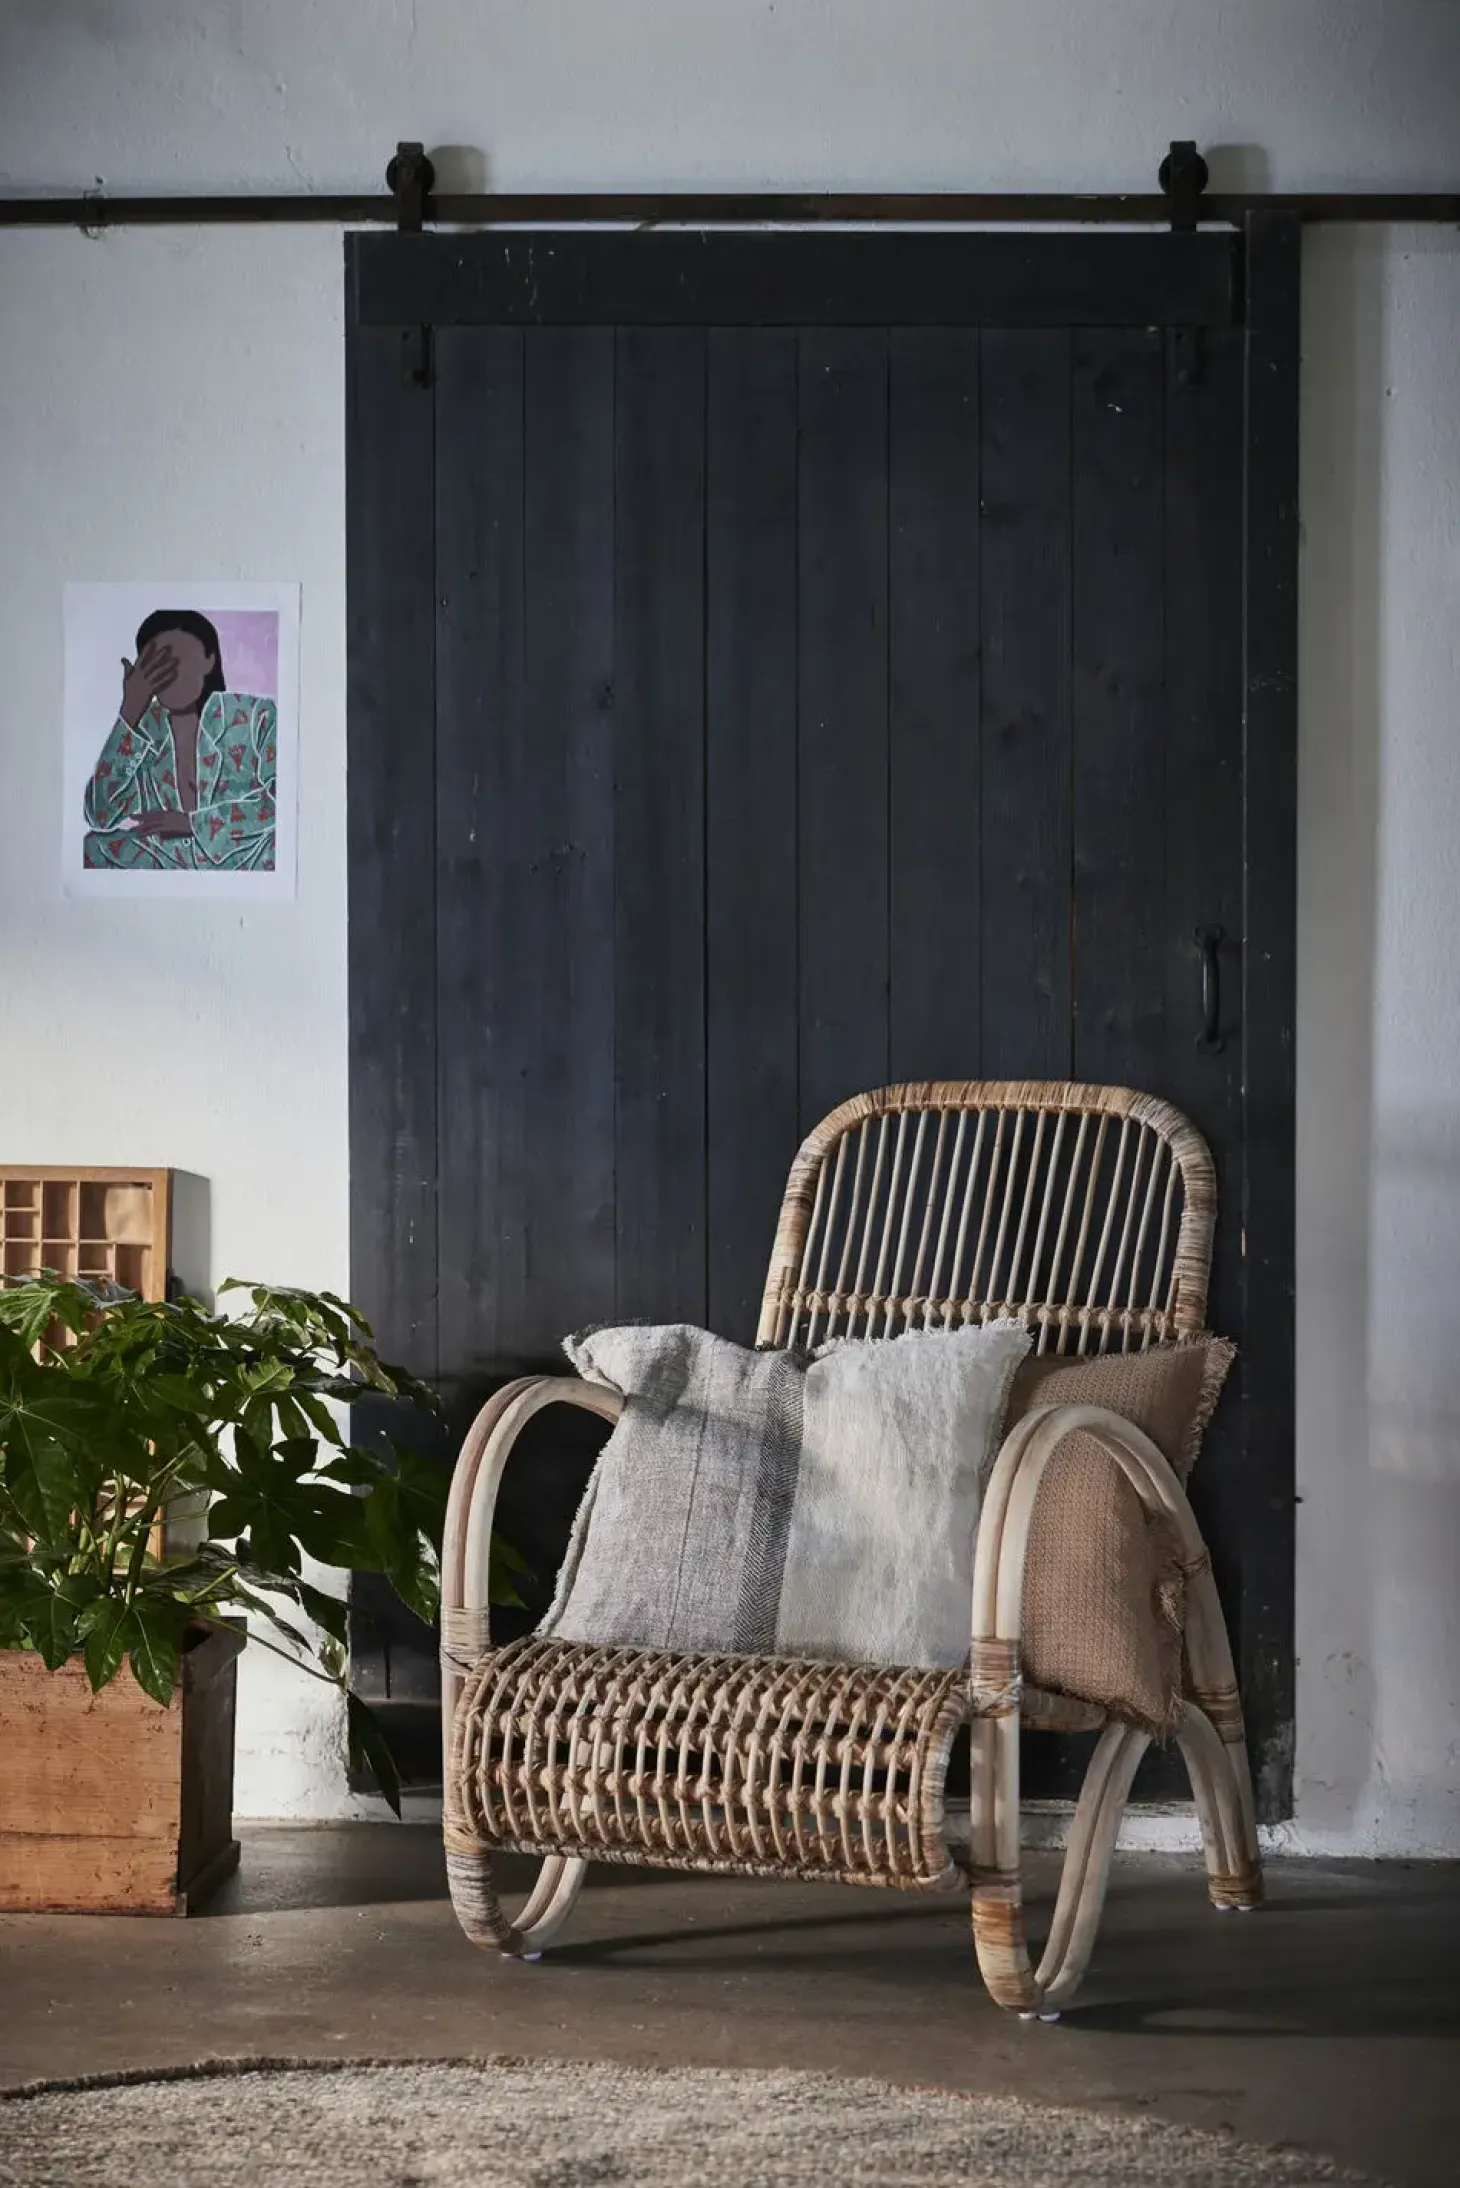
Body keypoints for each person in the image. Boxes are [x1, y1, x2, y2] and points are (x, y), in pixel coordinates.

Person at [83, 609, 277, 870]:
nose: (169, 674)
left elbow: (284, 800)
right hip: (167, 860)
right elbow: (100, 817)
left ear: (209, 659)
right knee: (93, 846)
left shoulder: (255, 716)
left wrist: (193, 824)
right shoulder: (143, 728)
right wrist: (129, 713)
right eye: (155, 665)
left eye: (178, 660)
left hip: (247, 857)